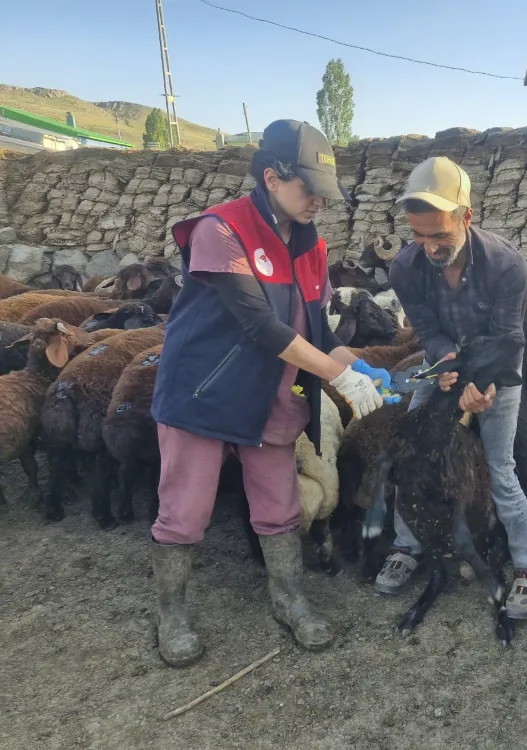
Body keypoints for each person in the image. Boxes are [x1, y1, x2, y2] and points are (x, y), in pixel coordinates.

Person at [149, 119, 398, 668]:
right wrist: (337, 378)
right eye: (309, 189)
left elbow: (319, 329)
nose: (319, 203)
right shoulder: (222, 230)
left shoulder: (312, 247)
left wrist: (361, 366)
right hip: (205, 394)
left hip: (272, 397)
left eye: (325, 193)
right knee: (185, 511)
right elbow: (260, 326)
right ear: (271, 177)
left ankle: (288, 597)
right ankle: (172, 612)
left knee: (280, 506)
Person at [373, 155, 527, 620]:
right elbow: (426, 330)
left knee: (500, 464)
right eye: (419, 236)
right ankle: (406, 545)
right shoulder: (404, 269)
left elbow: (508, 337)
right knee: (410, 452)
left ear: (466, 217)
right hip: (443, 362)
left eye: (441, 236)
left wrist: (481, 385)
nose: (429, 247)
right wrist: (447, 362)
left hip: (498, 366)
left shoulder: (506, 265)